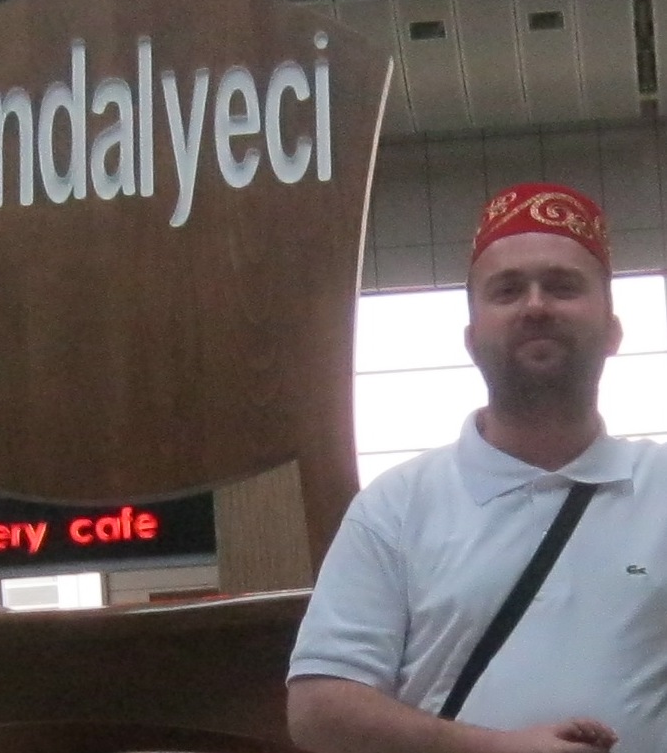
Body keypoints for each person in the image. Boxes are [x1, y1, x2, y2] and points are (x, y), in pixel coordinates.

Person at [286, 182, 667, 753]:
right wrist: (496, 748)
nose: (535, 306)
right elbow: (319, 710)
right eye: (507, 291)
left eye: (562, 287)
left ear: (613, 331)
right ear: (471, 339)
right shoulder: (396, 508)